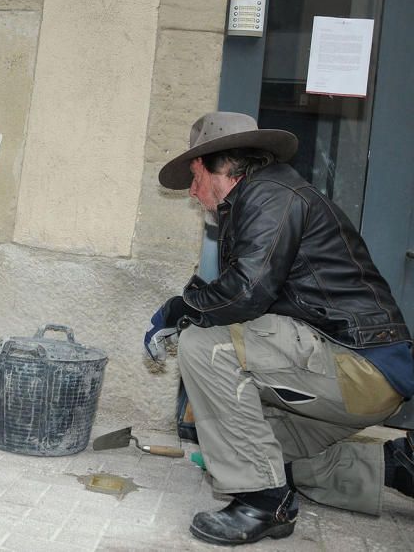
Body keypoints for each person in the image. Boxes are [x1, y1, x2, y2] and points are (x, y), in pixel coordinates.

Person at [147, 112, 414, 545]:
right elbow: (252, 299)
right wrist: (194, 303)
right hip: (357, 374)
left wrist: (180, 309)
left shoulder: (271, 193)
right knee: (242, 447)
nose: (193, 194)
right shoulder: (263, 198)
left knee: (202, 346)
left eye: (195, 178)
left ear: (223, 166)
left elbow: (245, 295)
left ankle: (262, 502)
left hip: (357, 366)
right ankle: (396, 468)